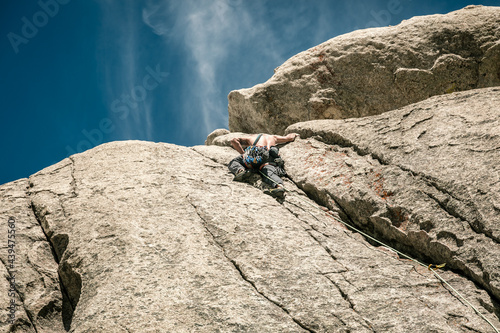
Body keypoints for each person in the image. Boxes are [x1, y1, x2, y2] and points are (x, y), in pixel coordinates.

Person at [228, 133, 299, 198]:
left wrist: (243, 153)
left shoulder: (251, 137)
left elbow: (233, 140)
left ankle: (240, 171)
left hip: (256, 156)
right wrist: (294, 134)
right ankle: (279, 187)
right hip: (270, 158)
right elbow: (290, 138)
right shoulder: (273, 137)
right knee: (268, 172)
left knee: (234, 161)